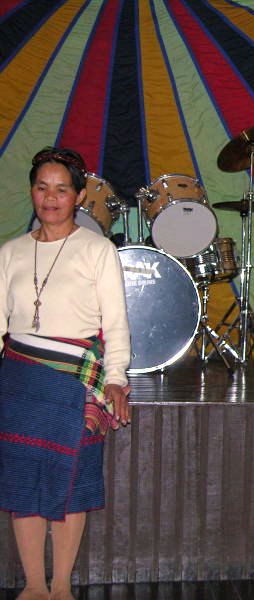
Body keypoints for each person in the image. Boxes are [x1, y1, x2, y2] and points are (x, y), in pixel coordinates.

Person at [0, 147, 131, 600]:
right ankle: (34, 585)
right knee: (23, 481)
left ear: (77, 196)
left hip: (74, 384)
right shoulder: (10, 252)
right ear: (32, 193)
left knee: (68, 481)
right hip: (19, 382)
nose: (50, 197)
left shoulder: (97, 250)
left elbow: (115, 322)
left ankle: (60, 588)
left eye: (61, 189)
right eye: (42, 187)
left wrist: (115, 378)